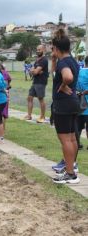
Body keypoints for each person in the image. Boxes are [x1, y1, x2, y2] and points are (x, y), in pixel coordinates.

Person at [50, 29, 81, 184]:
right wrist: (54, 60)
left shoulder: (64, 62)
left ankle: (70, 173)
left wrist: (62, 85)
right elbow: (55, 74)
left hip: (63, 104)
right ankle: (72, 167)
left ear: (56, 48)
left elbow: (67, 77)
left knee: (66, 141)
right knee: (72, 138)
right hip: (72, 102)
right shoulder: (72, 60)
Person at [24, 45, 49, 123]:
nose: (38, 51)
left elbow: (35, 72)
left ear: (44, 50)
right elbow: (33, 71)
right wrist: (35, 71)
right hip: (35, 81)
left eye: (39, 49)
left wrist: (34, 71)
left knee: (40, 99)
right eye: (37, 49)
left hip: (41, 82)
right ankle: (29, 115)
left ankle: (42, 116)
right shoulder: (37, 60)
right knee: (29, 97)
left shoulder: (44, 60)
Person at [76, 56, 88, 150]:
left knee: (78, 125)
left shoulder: (79, 71)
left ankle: (77, 143)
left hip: (79, 102)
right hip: (86, 102)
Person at [0, 61, 12, 129]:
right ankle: (2, 129)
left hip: (2, 94)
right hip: (5, 94)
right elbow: (9, 80)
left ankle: (1, 130)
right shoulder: (5, 72)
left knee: (1, 113)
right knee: (3, 113)